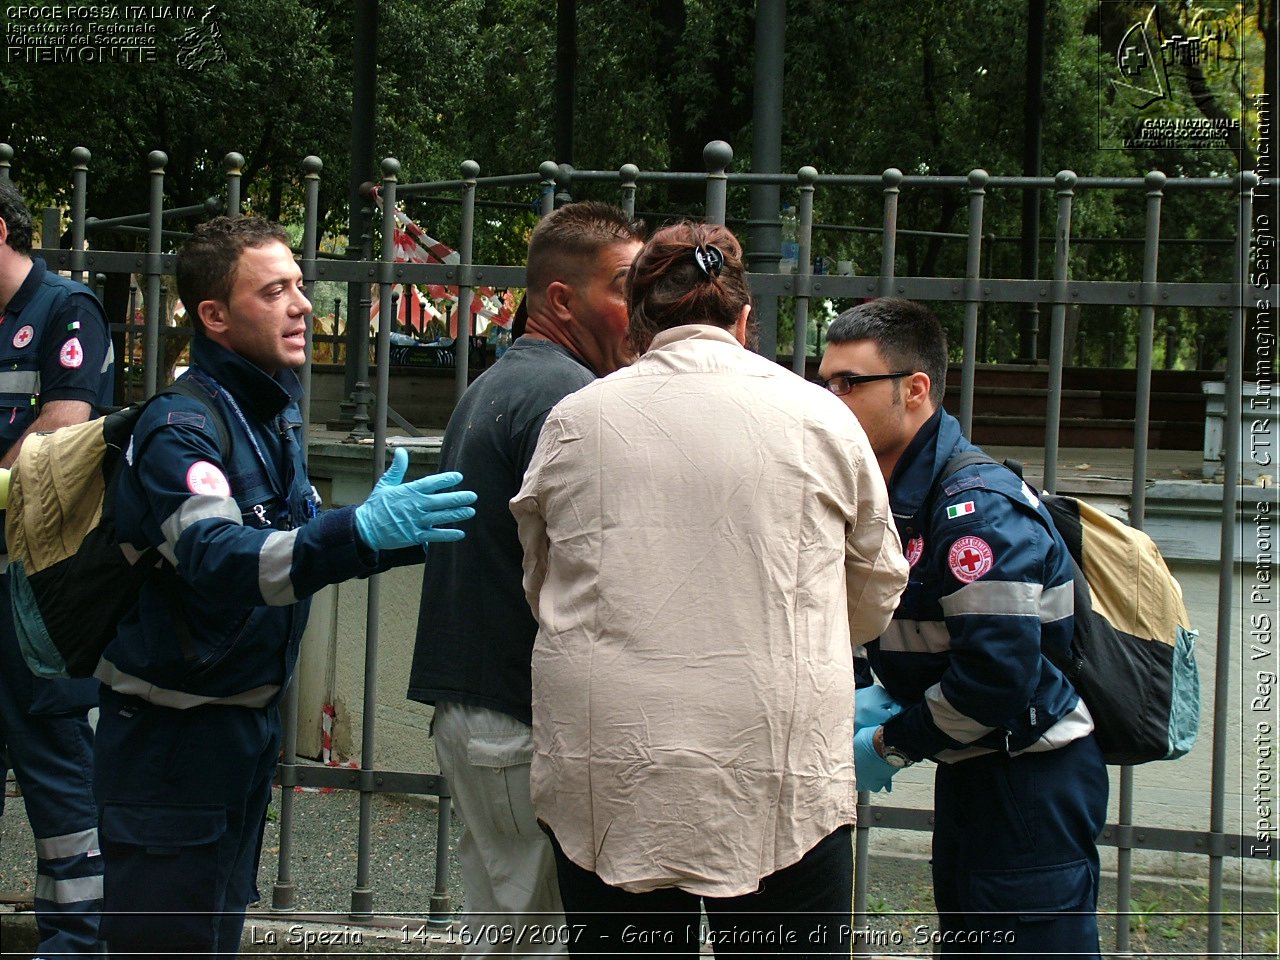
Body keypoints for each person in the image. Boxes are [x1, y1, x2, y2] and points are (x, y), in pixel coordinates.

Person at [511, 222, 908, 957]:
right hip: (775, 755)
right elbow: (877, 585)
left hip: (613, 761)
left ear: (637, 321)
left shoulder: (576, 422)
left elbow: (543, 582)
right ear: (745, 319)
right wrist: (808, 629)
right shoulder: (823, 417)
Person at [92, 215, 478, 957]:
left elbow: (286, 542)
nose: (303, 304)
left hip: (233, 739)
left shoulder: (266, 415)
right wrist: (356, 534)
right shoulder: (182, 427)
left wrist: (379, 538)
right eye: (276, 290)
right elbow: (218, 557)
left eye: (301, 285)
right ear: (214, 315)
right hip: (170, 749)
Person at [818, 298, 1108, 957]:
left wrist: (893, 740)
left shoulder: (972, 511)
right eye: (824, 381)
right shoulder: (907, 497)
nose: (830, 399)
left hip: (1028, 780)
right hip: (983, 772)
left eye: (850, 384)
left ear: (915, 390)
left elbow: (997, 678)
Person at [407, 201, 644, 957]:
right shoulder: (565, 400)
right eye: (624, 288)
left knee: (507, 928)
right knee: (532, 944)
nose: (640, 312)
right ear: (563, 300)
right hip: (518, 720)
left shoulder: (508, 381)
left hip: (486, 718)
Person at [0, 178, 111, 955]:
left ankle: (75, 941)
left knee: (56, 760)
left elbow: (59, 434)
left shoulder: (67, 309)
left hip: (35, 587)